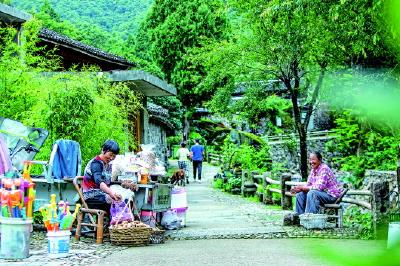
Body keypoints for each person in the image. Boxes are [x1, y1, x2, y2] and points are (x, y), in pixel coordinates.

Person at [82, 140, 122, 213]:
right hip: (91, 196)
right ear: (103, 150)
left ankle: (117, 223)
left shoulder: (108, 164)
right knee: (115, 202)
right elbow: (99, 181)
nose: (111, 158)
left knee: (121, 198)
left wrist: (123, 184)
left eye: (114, 156)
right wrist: (111, 193)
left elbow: (108, 182)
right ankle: (114, 223)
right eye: (110, 155)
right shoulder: (96, 163)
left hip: (102, 194)